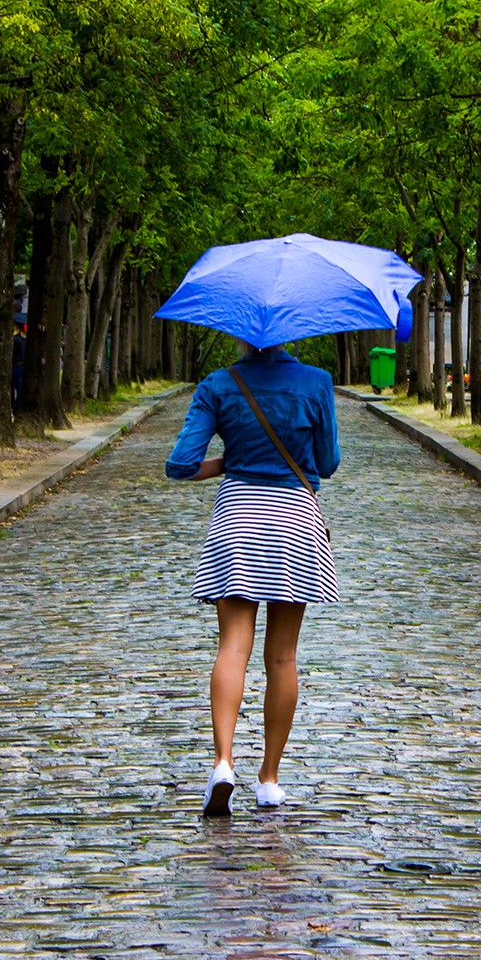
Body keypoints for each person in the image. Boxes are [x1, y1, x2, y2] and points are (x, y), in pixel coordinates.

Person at [166, 342, 340, 817]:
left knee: (233, 647)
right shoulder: (316, 384)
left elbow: (180, 465)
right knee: (282, 656)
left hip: (237, 519)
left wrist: (232, 459)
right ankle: (269, 779)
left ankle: (223, 762)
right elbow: (326, 464)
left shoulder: (219, 385)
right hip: (295, 523)